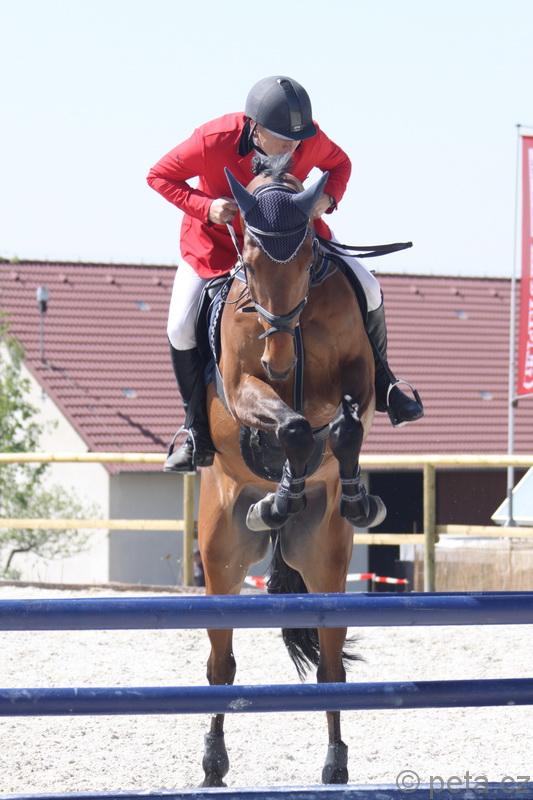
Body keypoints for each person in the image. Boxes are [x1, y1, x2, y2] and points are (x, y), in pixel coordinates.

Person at [147, 75, 423, 473]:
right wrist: (205, 207)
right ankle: (196, 431)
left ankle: (386, 384)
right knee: (179, 326)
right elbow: (159, 176)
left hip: (292, 246)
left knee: (369, 286)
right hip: (219, 247)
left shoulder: (307, 138)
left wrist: (329, 197)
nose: (294, 149)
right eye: (284, 140)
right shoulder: (212, 140)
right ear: (255, 128)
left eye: (298, 140)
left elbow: (340, 164)